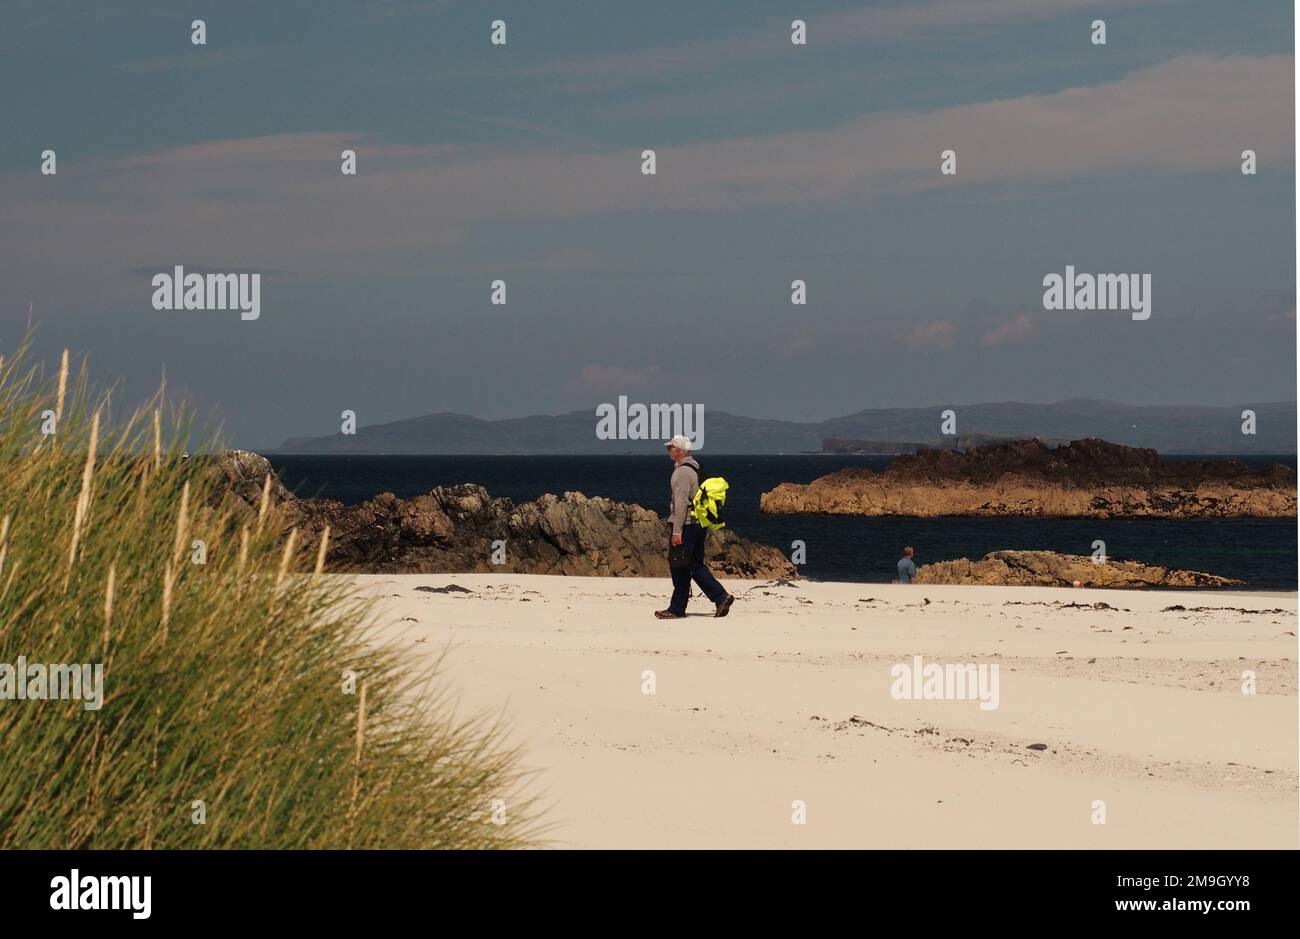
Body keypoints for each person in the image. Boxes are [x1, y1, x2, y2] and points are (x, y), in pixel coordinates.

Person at [655, 435, 734, 619]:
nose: (668, 451)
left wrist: (677, 531)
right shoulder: (695, 467)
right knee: (694, 565)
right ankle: (719, 598)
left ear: (678, 451)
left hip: (687, 525)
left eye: (670, 448)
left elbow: (681, 503)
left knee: (680, 566)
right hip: (699, 523)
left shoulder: (682, 472)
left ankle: (678, 608)